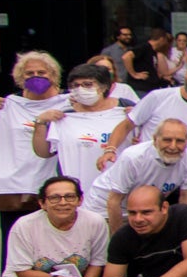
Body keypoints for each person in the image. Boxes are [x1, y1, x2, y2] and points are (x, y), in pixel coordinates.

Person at [87, 120, 187, 230]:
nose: (173, 146)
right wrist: (117, 241)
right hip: (105, 210)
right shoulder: (134, 157)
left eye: (179, 141)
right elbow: (113, 201)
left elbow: (186, 198)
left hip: (144, 212)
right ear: (155, 139)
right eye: (167, 140)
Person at [101, 54, 187, 164]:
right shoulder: (158, 97)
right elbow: (127, 125)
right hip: (147, 172)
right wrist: (110, 150)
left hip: (186, 178)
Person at [32, 63, 128, 194]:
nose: (81, 89)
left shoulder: (126, 111)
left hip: (119, 190)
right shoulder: (63, 116)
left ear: (104, 87)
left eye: (88, 84)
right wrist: (40, 122)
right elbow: (43, 152)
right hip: (79, 193)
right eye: (75, 85)